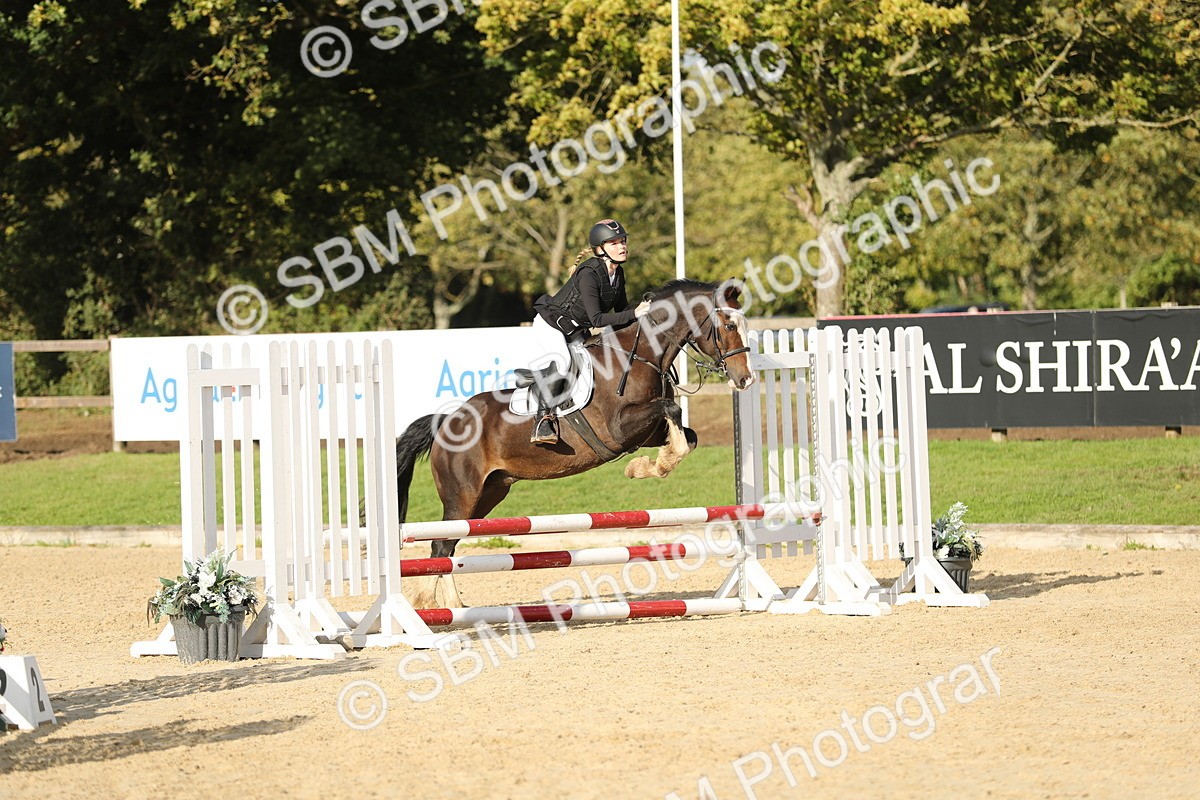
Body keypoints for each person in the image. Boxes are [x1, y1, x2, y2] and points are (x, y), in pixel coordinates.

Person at [526, 218, 650, 444]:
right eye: (614, 243)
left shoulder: (617, 274)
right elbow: (598, 319)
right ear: (600, 249)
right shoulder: (589, 273)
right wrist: (635, 314)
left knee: (593, 362)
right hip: (551, 325)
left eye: (622, 241)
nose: (622, 246)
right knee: (563, 362)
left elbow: (622, 311)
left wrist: (650, 312)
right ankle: (542, 421)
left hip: (573, 331)